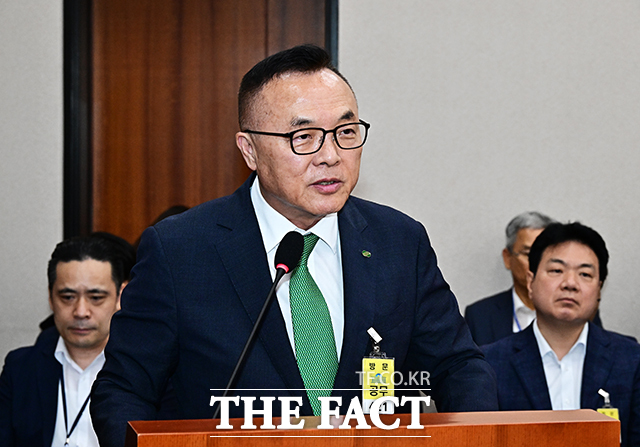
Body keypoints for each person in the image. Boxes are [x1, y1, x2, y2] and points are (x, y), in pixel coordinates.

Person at [91, 44, 498, 446]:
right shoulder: (180, 250)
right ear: (249, 150)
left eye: (346, 132)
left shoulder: (398, 241)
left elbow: (458, 366)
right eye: (303, 137)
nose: (330, 156)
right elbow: (124, 390)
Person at [483, 222, 640, 447]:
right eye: (556, 271)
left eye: (585, 274)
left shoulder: (631, 360)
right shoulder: (490, 363)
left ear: (599, 289)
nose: (570, 284)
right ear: (530, 282)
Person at [0, 236, 126, 447]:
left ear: (120, 297)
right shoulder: (20, 369)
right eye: (68, 297)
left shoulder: (145, 371)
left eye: (96, 298)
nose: (81, 312)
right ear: (50, 298)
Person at [465, 211, 602, 346]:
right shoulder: (480, 314)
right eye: (528, 254)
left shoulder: (575, 308)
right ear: (507, 258)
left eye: (543, 256)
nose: (535, 263)